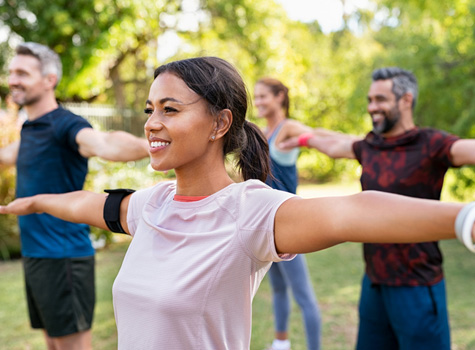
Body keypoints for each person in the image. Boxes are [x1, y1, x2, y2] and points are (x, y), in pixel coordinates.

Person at [0, 57, 474, 350]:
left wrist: (464, 217)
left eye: (170, 109)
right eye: (149, 110)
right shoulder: (151, 206)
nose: (151, 123)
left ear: (219, 123)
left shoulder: (249, 211)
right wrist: (38, 200)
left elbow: (352, 212)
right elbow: (91, 204)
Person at [279, 67, 475, 350]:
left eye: (380, 99)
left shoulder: (431, 144)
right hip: (374, 283)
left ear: (406, 100)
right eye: (370, 100)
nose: (372, 107)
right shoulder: (370, 145)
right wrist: (300, 140)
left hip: (417, 286)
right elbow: (334, 144)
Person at [0, 42, 149, 350]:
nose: (12, 78)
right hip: (36, 255)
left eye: (22, 73)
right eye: (12, 71)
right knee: (54, 343)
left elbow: (104, 144)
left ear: (48, 80)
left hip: (63, 257)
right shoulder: (31, 127)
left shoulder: (66, 125)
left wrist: (152, 146)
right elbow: (7, 156)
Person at [254, 77, 321, 350]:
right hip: (267, 225)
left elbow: (319, 137)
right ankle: (280, 343)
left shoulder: (288, 128)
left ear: (280, 96)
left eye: (263, 97)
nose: (258, 102)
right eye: (256, 97)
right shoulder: (262, 132)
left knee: (303, 295)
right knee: (279, 289)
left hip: (290, 224)